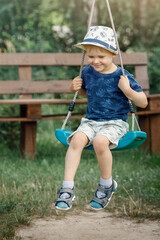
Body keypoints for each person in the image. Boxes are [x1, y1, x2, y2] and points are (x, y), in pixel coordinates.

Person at [54, 26, 148, 211]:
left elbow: (143, 102)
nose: (95, 61)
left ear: (113, 54)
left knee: (99, 142)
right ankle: (67, 188)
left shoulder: (122, 76)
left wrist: (128, 91)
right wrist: (75, 88)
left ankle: (106, 185)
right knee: (77, 139)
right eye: (91, 56)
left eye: (101, 56)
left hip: (114, 123)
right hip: (90, 121)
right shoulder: (88, 72)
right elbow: (85, 93)